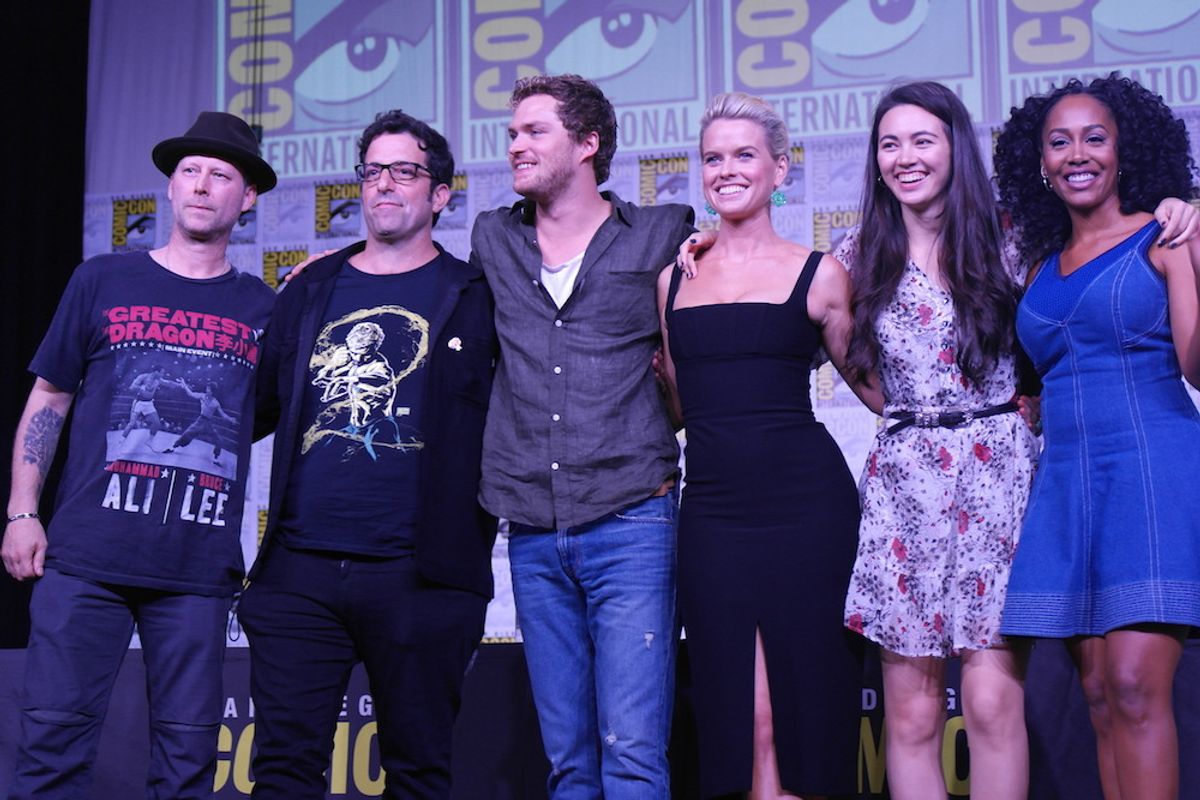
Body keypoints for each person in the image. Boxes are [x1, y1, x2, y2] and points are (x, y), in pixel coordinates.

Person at [1, 111, 276, 799]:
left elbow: (254, 419)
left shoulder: (265, 310)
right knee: (50, 750)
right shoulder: (102, 279)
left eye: (221, 175)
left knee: (186, 765)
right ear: (171, 187)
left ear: (247, 197)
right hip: (86, 557)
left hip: (196, 570)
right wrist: (22, 511)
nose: (201, 185)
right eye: (189, 171)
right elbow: (50, 398)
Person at [239, 109, 498, 800]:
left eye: (405, 171)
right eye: (373, 170)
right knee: (282, 772)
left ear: (439, 194)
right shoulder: (308, 289)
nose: (384, 184)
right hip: (298, 572)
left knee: (418, 773)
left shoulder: (477, 297)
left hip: (422, 577)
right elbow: (255, 408)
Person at [469, 74, 694, 798]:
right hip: (533, 527)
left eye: (535, 131)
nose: (516, 145)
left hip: (633, 517)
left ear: (588, 143)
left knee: (633, 754)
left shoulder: (664, 232)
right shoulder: (493, 238)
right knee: (568, 762)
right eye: (512, 133)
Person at [656, 91, 878, 799]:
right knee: (740, 719)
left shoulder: (821, 273)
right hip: (713, 516)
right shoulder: (673, 278)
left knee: (803, 712)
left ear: (780, 169)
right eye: (712, 158)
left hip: (807, 512)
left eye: (744, 155)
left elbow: (878, 392)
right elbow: (679, 406)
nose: (726, 170)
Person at [996, 74, 1200, 800]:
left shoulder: (1165, 235)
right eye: (1060, 142)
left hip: (1151, 470)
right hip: (1067, 484)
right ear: (1040, 163)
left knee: (1136, 687)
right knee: (1100, 697)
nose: (1077, 154)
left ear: (1124, 151)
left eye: (1095, 138)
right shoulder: (1036, 268)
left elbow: (1196, 365)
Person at [164, 380, 235, 464]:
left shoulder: (215, 403)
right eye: (207, 388)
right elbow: (191, 394)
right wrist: (184, 385)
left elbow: (223, 415)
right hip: (200, 421)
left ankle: (215, 458)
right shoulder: (202, 396)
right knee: (187, 433)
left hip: (208, 423)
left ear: (212, 391)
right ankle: (173, 447)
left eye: (208, 389)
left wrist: (230, 419)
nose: (206, 390)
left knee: (218, 440)